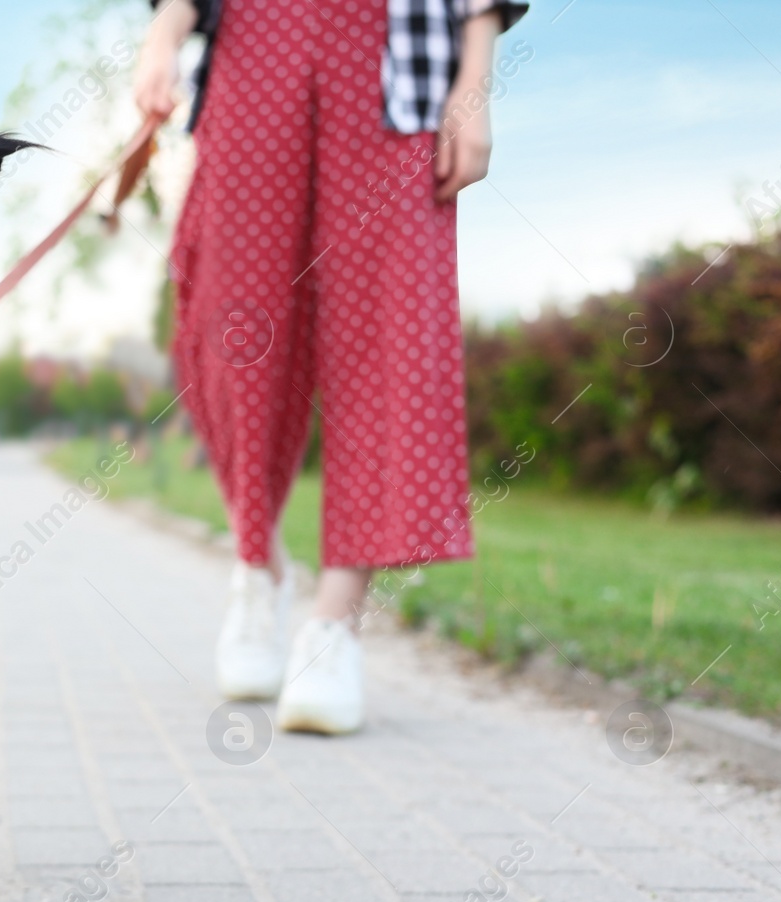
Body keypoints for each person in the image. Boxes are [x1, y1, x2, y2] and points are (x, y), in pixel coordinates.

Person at [134, 0, 528, 733]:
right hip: (254, 43)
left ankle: (334, 624)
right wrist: (162, 38)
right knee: (230, 329)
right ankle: (259, 564)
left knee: (389, 335)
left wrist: (473, 88)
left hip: (394, 57)